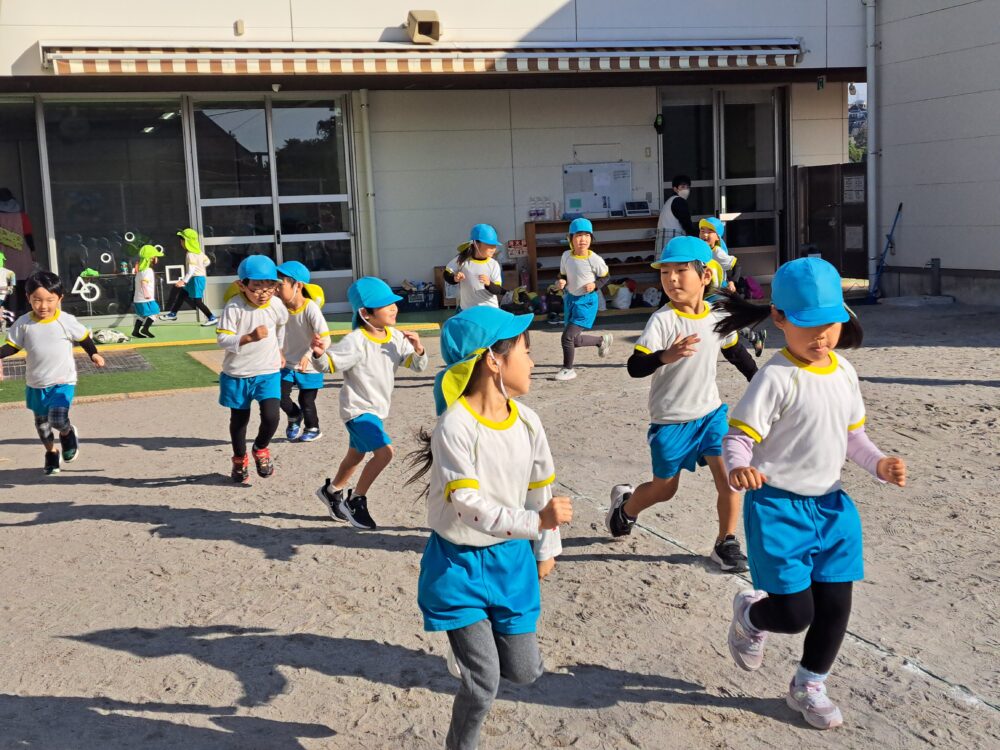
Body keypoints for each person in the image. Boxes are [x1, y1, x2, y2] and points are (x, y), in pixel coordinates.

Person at [716, 257, 907, 730]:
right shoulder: (775, 377)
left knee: (836, 605)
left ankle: (809, 684)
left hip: (832, 507)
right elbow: (738, 438)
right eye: (808, 324)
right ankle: (752, 616)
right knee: (794, 612)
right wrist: (739, 468)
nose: (821, 335)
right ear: (779, 318)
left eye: (830, 323)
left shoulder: (845, 372)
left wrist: (879, 464)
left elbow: (853, 438)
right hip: (778, 507)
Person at [406, 305, 572, 750]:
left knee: (525, 671)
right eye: (525, 351)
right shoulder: (454, 426)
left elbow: (540, 489)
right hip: (458, 566)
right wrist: (536, 523)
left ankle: (468, 646)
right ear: (492, 360)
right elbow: (467, 507)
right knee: (483, 684)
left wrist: (546, 546)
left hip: (512, 561)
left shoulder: (529, 421)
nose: (532, 362)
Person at [607, 236, 749, 572]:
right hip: (670, 421)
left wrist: (758, 381)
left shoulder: (718, 314)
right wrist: (664, 356)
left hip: (711, 414)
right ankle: (625, 509)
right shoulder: (663, 320)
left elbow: (734, 350)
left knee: (729, 478)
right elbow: (635, 366)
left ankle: (726, 542)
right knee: (664, 489)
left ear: (705, 276)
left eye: (680, 271)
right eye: (664, 272)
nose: (671, 279)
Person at [311, 277, 427, 530]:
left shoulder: (395, 337)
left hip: (377, 411)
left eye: (393, 303)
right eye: (385, 305)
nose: (394, 308)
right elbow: (330, 364)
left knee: (356, 456)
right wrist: (318, 354)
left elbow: (417, 366)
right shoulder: (356, 341)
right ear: (365, 313)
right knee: (385, 453)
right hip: (357, 411)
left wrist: (418, 349)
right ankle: (356, 500)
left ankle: (331, 491)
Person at [0, 270, 106, 475]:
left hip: (62, 381)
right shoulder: (23, 323)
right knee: (42, 426)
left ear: (60, 299)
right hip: (36, 383)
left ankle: (67, 433)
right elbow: (12, 347)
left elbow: (83, 338)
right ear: (28, 298)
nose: (43, 306)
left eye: (50, 300)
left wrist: (94, 354)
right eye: (37, 300)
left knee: (57, 419)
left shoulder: (66, 320)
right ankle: (51, 452)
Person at [215, 255, 289, 483]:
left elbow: (280, 327)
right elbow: (222, 339)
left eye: (269, 287)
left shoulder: (276, 305)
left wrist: (280, 350)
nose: (263, 293)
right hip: (237, 373)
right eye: (256, 287)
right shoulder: (234, 307)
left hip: (268, 371)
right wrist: (249, 337)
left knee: (272, 416)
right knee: (239, 421)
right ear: (242, 285)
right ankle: (239, 459)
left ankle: (260, 448)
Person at [275, 260, 330, 443]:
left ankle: (313, 428)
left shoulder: (310, 308)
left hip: (309, 365)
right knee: (278, 396)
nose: (275, 289)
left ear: (297, 286)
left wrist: (309, 355)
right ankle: (294, 415)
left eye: (280, 285)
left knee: (307, 401)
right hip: (287, 363)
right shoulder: (279, 307)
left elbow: (325, 339)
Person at [554, 218, 613, 381]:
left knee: (567, 337)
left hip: (587, 302)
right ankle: (601, 341)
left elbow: (606, 276)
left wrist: (595, 285)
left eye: (587, 235)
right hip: (570, 300)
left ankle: (568, 369)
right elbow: (563, 274)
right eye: (579, 235)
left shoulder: (594, 259)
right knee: (575, 340)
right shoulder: (566, 256)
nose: (583, 239)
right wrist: (561, 281)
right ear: (570, 238)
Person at [700, 217, 767, 358]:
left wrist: (732, 282)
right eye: (702, 230)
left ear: (717, 237)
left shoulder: (717, 252)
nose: (704, 234)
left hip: (719, 293)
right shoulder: (700, 250)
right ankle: (755, 337)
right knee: (723, 321)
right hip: (707, 293)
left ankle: (754, 338)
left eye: (709, 231)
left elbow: (737, 265)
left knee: (725, 321)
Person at [160, 228, 217, 325]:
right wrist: (200, 267)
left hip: (196, 279)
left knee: (197, 301)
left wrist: (183, 281)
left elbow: (191, 270)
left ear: (188, 242)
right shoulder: (199, 252)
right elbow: (207, 262)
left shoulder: (190, 254)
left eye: (182, 240)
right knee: (182, 294)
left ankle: (211, 318)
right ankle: (173, 313)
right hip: (195, 278)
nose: (181, 243)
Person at [443, 224, 506, 310]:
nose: (493, 248)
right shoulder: (462, 260)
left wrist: (489, 284)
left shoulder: (493, 264)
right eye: (489, 244)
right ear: (476, 244)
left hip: (490, 309)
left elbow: (498, 290)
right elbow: (447, 274)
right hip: (468, 310)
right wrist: (454, 278)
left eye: (494, 245)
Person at [0, 187, 37, 317]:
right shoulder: (22, 216)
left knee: (4, 287)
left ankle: (5, 314)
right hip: (21, 255)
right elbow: (28, 235)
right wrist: (33, 252)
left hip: (3, 256)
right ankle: (21, 312)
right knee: (22, 286)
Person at [655, 174, 697, 250]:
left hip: (664, 240)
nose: (686, 190)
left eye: (688, 187)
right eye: (682, 187)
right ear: (675, 189)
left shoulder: (670, 200)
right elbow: (686, 224)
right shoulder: (679, 201)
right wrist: (698, 235)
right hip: (673, 239)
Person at [131, 244, 164, 339]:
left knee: (142, 315)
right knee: (155, 311)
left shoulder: (140, 271)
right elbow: (144, 283)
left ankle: (136, 331)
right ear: (151, 258)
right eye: (155, 256)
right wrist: (147, 295)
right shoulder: (148, 270)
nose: (156, 258)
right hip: (146, 299)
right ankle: (145, 329)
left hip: (138, 299)